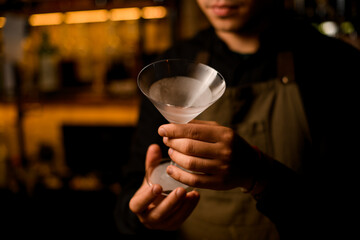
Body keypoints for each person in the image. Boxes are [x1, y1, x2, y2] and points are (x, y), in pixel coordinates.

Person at [115, 0, 360, 239]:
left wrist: (259, 173)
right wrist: (142, 215)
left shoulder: (336, 64)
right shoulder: (172, 64)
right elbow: (133, 185)